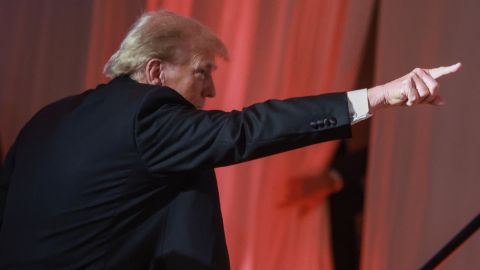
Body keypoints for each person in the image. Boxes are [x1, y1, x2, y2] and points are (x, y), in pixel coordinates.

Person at [0, 10, 461, 270]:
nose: (211, 91)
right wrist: (378, 96)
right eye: (202, 73)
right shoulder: (150, 114)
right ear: (156, 72)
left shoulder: (47, 118)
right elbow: (245, 129)